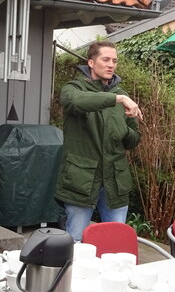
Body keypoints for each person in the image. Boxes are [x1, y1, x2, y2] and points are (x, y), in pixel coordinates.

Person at [54, 40, 142, 242]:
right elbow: (75, 102)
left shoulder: (123, 94)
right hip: (81, 180)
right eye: (106, 59)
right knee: (75, 241)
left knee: (116, 241)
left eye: (115, 60)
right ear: (91, 63)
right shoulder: (73, 88)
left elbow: (134, 139)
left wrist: (124, 131)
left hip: (115, 181)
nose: (111, 64)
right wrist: (117, 100)